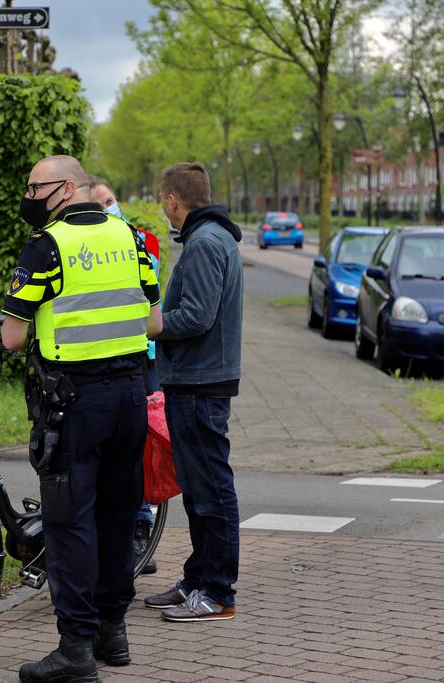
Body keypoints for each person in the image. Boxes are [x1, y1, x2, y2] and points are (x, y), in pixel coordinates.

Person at [0, 155, 163, 682]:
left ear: (67, 188)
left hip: (74, 402)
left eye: (35, 187)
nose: (29, 195)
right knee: (117, 516)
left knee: (70, 524)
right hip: (130, 396)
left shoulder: (47, 245)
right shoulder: (131, 238)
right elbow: (154, 323)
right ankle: (112, 633)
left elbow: (12, 337)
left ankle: (75, 649)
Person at [144, 162, 243, 622]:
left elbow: (199, 316)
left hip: (200, 383)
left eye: (162, 198)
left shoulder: (204, 243)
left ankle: (217, 592)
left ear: (172, 200)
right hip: (198, 380)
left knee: (210, 492)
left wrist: (153, 324)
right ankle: (197, 579)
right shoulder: (213, 237)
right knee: (200, 491)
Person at [88, 175, 160, 576]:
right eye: (99, 204)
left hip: (140, 358)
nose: (107, 208)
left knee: (138, 448)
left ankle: (141, 528)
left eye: (110, 200)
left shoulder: (141, 241)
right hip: (102, 358)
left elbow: (150, 288)